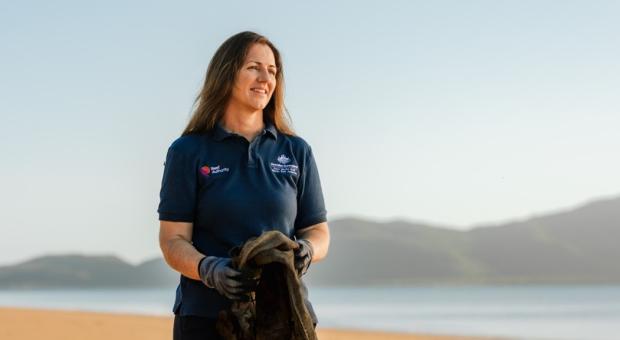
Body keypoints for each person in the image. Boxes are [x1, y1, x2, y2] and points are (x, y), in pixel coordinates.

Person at [157, 31, 330, 340]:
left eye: (273, 71)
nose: (265, 77)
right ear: (226, 73)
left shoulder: (296, 151)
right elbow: (172, 241)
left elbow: (318, 232)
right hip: (206, 318)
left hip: (284, 316)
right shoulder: (188, 151)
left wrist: (306, 249)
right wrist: (209, 270)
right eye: (253, 67)